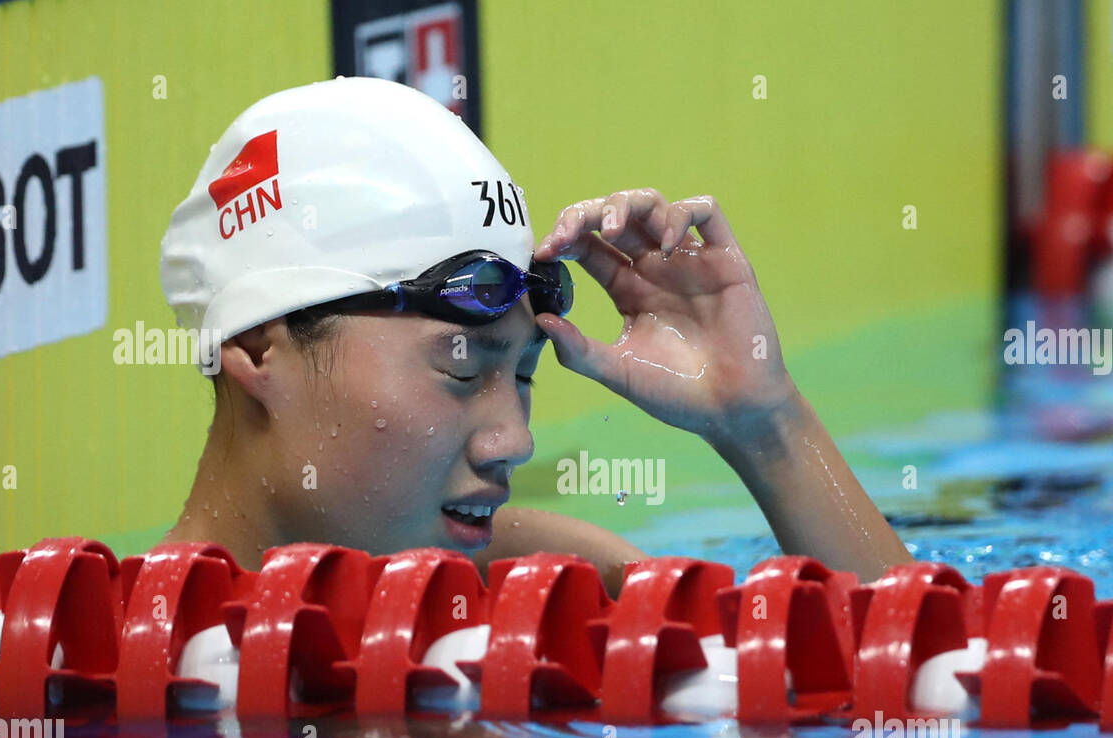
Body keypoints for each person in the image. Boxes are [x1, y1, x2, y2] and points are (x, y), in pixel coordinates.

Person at [160, 77, 910, 594]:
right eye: (461, 369)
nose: (514, 441)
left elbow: (916, 699)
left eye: (524, 375)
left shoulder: (557, 585)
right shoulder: (74, 660)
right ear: (261, 346)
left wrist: (763, 423)